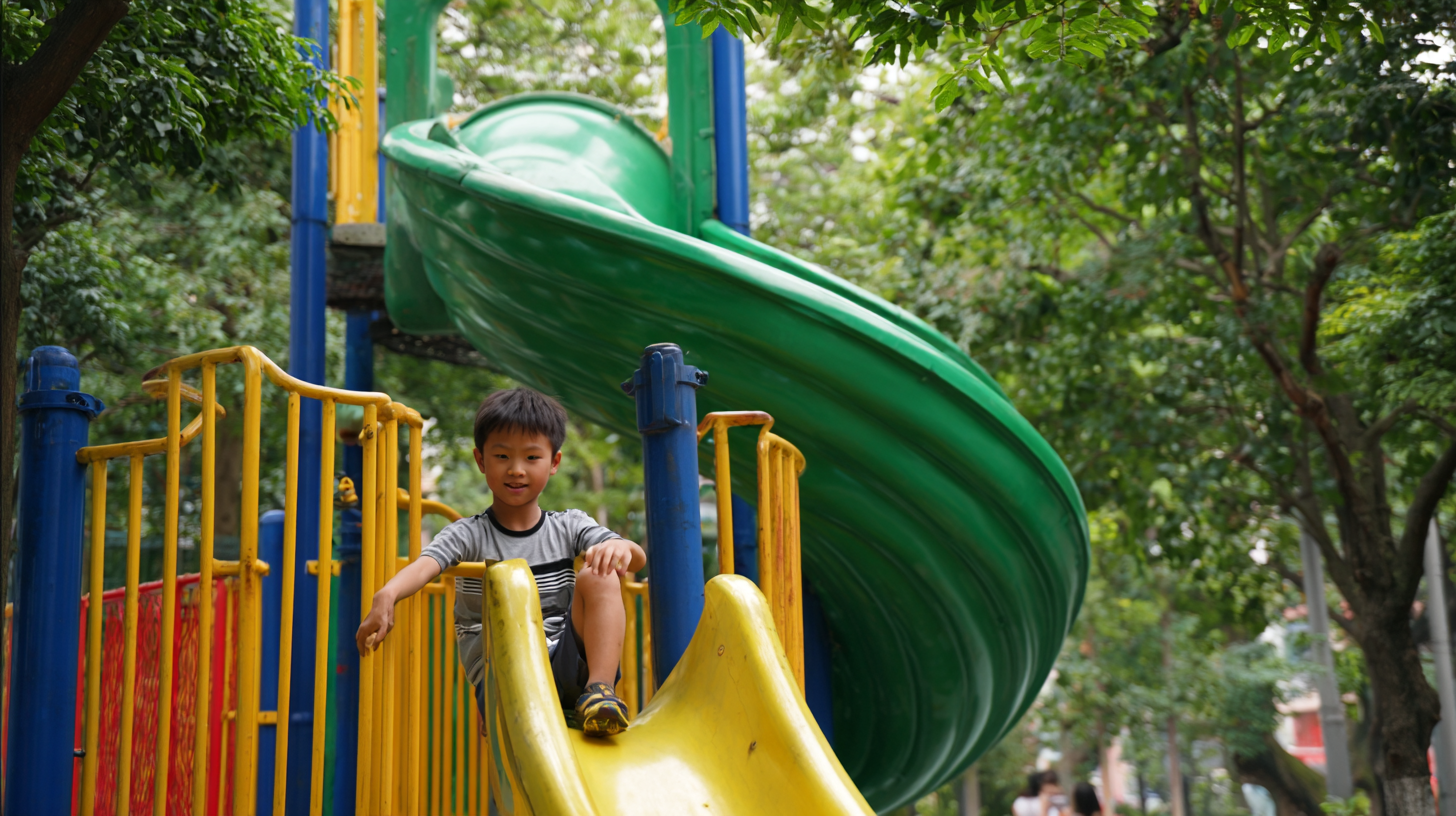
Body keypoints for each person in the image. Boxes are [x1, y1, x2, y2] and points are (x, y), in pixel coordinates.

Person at [354, 387, 646, 737]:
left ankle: (599, 693)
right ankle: (514, 703)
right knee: (511, 586)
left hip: (566, 669)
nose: (517, 470)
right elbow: (426, 564)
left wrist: (618, 547)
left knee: (599, 574)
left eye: (532, 458)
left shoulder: (569, 525)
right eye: (503, 456)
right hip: (505, 674)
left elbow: (636, 560)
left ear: (554, 463)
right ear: (481, 461)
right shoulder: (468, 535)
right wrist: (388, 594)